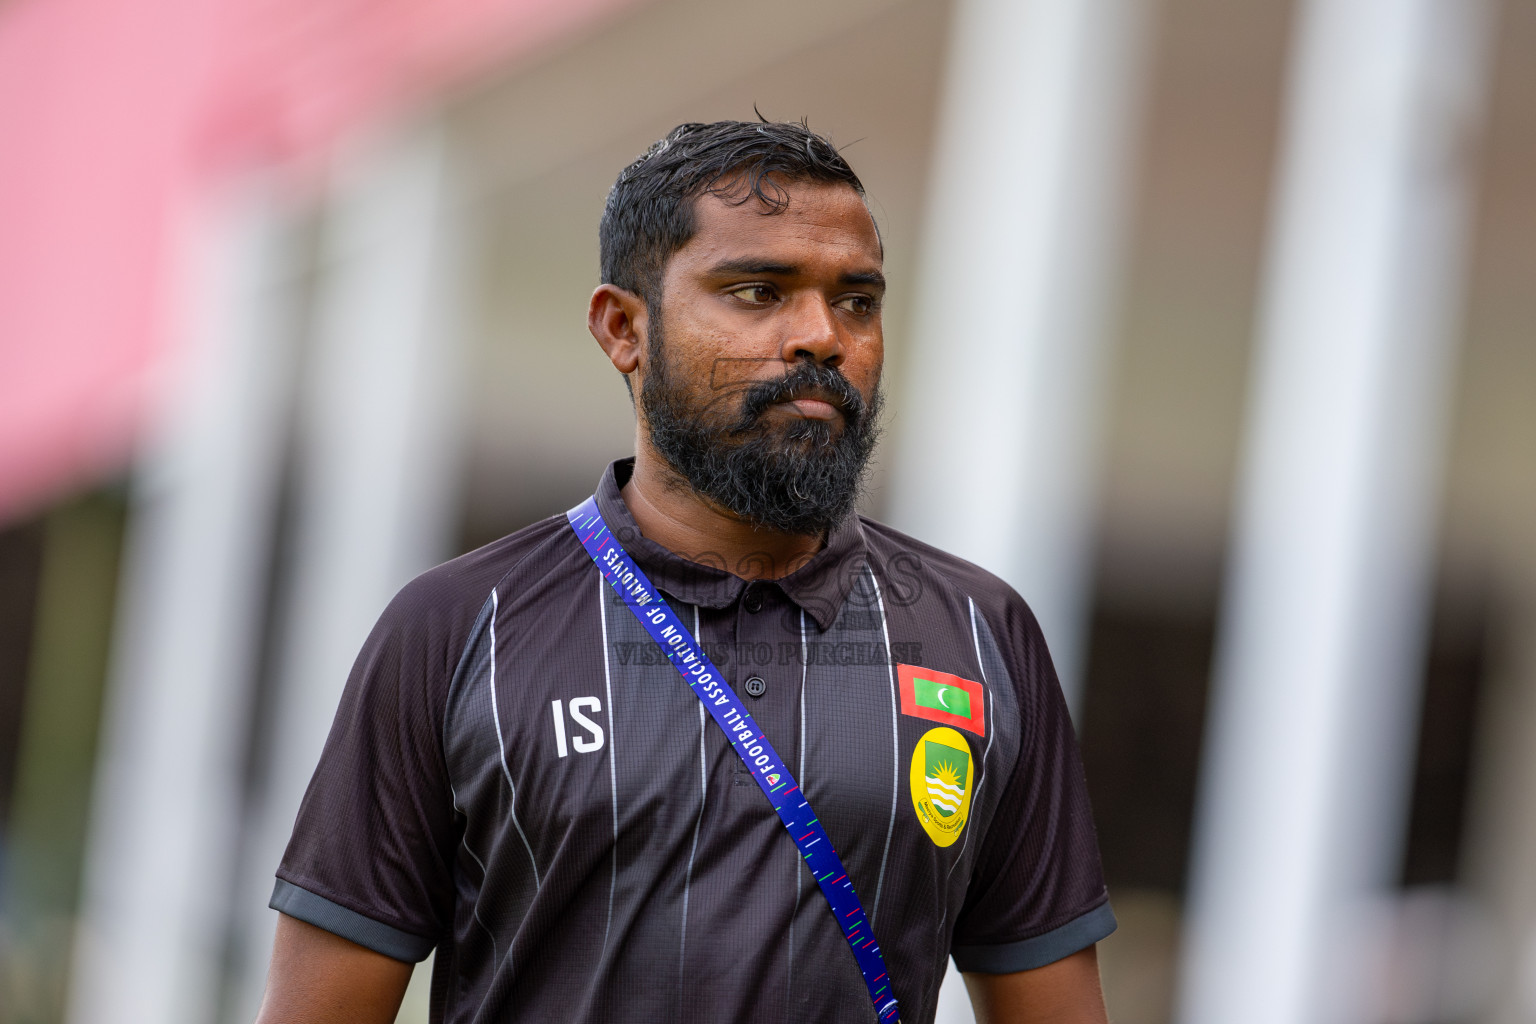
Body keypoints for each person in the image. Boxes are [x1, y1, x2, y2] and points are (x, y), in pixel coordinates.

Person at [255, 119, 1115, 1024]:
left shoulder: (980, 635)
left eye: (857, 301)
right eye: (758, 291)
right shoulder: (459, 627)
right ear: (624, 328)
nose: (822, 336)